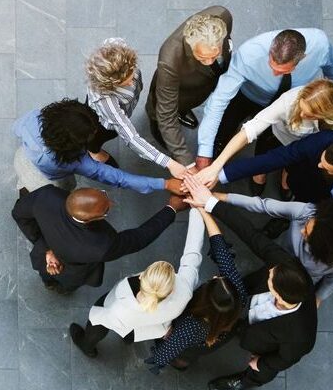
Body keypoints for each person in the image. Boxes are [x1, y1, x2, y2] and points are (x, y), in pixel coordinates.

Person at [177, 174, 319, 390]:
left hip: (254, 338)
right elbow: (251, 236)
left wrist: (263, 364)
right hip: (239, 302)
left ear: (277, 294)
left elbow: (285, 359)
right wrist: (210, 203)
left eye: (270, 277)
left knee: (262, 371)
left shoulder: (300, 336)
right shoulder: (288, 266)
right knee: (207, 338)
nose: (269, 270)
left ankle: (245, 381)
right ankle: (184, 357)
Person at [194, 28, 333, 177]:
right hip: (249, 96)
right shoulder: (248, 54)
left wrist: (332, 92)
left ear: (302, 58)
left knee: (273, 137)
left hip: (294, 102)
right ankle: (218, 148)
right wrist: (204, 152)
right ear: (271, 50)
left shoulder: (320, 44)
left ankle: (260, 169)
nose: (275, 74)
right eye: (272, 67)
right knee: (226, 124)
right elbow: (218, 100)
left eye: (282, 71)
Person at [194, 79, 333, 193]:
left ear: (330, 113)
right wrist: (216, 166)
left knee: (295, 170)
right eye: (302, 109)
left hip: (317, 151)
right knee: (264, 160)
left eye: (311, 114)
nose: (303, 115)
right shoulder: (289, 101)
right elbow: (249, 130)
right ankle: (260, 175)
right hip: (280, 139)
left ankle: (286, 176)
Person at [69, 208, 205, 357]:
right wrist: (198, 209)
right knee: (129, 335)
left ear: (141, 277)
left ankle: (87, 345)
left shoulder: (119, 304)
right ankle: (127, 340)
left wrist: (197, 208)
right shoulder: (185, 289)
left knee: (98, 321)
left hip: (122, 319)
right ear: (171, 288)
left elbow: (104, 316)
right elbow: (193, 251)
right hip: (148, 329)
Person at [193, 192, 333, 305]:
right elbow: (263, 205)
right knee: (254, 281)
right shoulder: (307, 212)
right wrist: (218, 197)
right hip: (278, 254)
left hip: (296, 277)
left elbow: (329, 283)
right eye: (306, 225)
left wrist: (316, 300)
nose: (302, 229)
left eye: (308, 234)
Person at [11, 184, 186, 295]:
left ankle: (48, 281)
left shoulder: (47, 196)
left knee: (46, 274)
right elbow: (139, 238)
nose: (111, 203)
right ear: (91, 219)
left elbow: (18, 213)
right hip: (72, 272)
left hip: (43, 255)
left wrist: (44, 245)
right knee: (66, 286)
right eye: (106, 210)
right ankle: (58, 288)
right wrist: (171, 208)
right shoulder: (101, 246)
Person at [144, 206, 247, 373]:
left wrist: (159, 352)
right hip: (216, 337)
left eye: (214, 281)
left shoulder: (191, 326)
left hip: (192, 341)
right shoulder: (237, 292)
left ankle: (180, 364)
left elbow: (166, 352)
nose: (216, 277)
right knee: (188, 354)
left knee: (181, 355)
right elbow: (222, 252)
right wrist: (204, 210)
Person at [12, 99, 184, 195]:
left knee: (25, 179)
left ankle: (22, 183)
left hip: (22, 158)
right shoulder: (74, 163)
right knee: (65, 190)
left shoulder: (33, 119)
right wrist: (165, 184)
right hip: (50, 181)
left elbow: (16, 128)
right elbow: (118, 177)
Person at [215, 131, 333, 230]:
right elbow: (276, 158)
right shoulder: (321, 141)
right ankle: (283, 219)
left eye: (326, 167)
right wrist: (219, 175)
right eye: (321, 159)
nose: (319, 165)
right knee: (296, 204)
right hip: (307, 186)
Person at [83, 38, 190, 178]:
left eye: (132, 71)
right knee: (99, 135)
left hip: (124, 108)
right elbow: (132, 138)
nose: (132, 78)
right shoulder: (105, 100)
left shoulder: (116, 48)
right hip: (102, 122)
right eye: (125, 81)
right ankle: (94, 151)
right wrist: (169, 163)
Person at [146, 7, 234, 167]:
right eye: (202, 57)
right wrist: (186, 162)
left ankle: (183, 111)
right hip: (179, 90)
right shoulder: (170, 59)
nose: (210, 62)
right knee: (161, 117)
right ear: (190, 45)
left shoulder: (223, 15)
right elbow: (166, 116)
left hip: (200, 88)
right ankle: (159, 133)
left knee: (187, 104)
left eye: (214, 55)